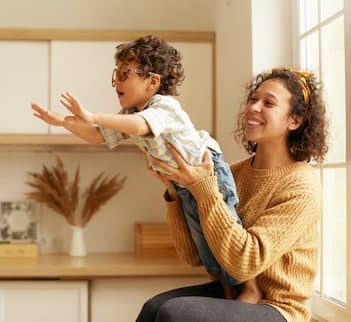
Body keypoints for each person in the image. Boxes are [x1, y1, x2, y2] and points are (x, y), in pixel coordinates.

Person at [31, 35, 260, 301]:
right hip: (184, 186)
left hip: (210, 176)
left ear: (152, 82)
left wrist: (92, 115)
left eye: (125, 74)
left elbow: (141, 126)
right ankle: (229, 293)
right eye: (116, 74)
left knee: (227, 232)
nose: (116, 82)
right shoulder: (130, 114)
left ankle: (252, 287)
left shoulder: (164, 107)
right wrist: (63, 123)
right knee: (207, 247)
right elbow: (98, 135)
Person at [136, 68, 328, 322]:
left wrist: (205, 190)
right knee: (154, 307)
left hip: (278, 308)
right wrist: (174, 191)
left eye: (268, 103)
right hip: (233, 292)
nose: (253, 108)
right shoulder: (233, 173)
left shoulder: (302, 185)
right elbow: (192, 255)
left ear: (294, 120)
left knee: (174, 313)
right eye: (252, 99)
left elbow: (245, 262)